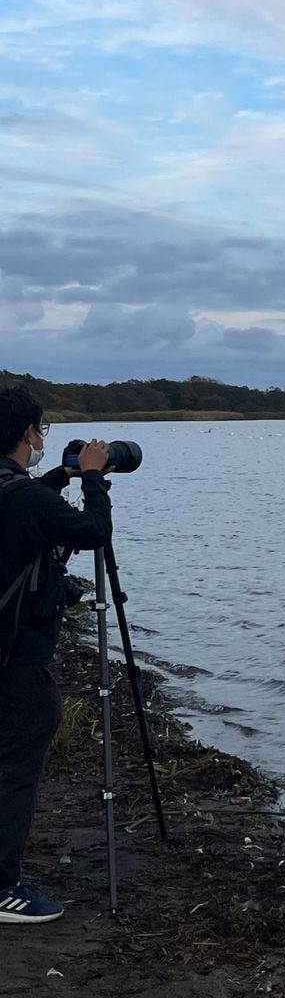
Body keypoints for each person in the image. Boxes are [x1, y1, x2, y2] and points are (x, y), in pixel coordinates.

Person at [0, 384, 111, 925]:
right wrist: (92, 477)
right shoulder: (26, 499)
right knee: (15, 765)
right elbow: (93, 531)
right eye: (41, 428)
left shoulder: (18, 493)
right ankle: (2, 888)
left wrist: (62, 476)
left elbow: (21, 504)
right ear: (29, 432)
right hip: (14, 656)